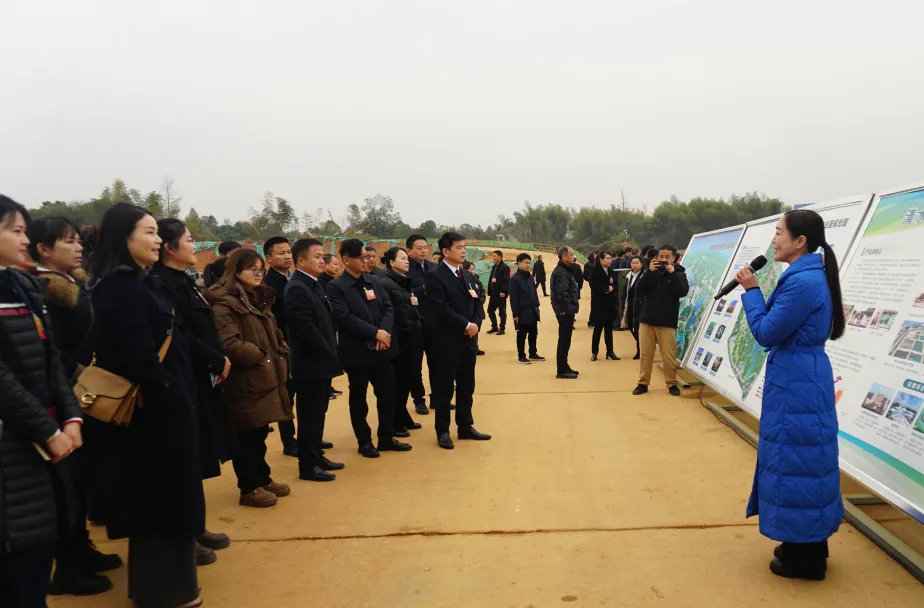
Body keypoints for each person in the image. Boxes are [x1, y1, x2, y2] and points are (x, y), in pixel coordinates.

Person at [87, 202, 204, 608]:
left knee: (172, 503)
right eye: (149, 232)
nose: (158, 240)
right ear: (124, 236)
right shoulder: (117, 287)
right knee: (158, 505)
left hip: (168, 408)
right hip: (149, 418)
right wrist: (171, 397)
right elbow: (137, 357)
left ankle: (172, 587)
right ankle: (162, 593)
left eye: (158, 232)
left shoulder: (143, 281)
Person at [736, 209, 845, 581]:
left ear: (800, 241)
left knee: (796, 461)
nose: (774, 240)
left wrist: (751, 292)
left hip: (798, 382)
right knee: (802, 459)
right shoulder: (809, 275)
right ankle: (807, 542)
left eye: (780, 233)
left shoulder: (802, 283)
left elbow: (767, 332)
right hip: (801, 378)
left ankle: (806, 558)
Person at [22, 217, 121, 596]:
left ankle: (81, 548)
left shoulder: (75, 283)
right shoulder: (43, 290)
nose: (78, 247)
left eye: (78, 241)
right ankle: (67, 565)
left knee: (80, 482)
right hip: (65, 393)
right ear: (43, 248)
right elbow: (53, 352)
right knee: (65, 486)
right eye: (67, 241)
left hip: (81, 390)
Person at [0, 197, 86, 607]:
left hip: (39, 448)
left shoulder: (24, 287)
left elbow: (52, 362)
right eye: (15, 230)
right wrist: (47, 429)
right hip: (14, 448)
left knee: (37, 553)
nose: (25, 238)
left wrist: (70, 416)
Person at [152, 219, 237, 565]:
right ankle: (185, 535)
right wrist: (214, 359)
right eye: (188, 240)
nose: (193, 245)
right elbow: (182, 335)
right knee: (184, 461)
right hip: (189, 374)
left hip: (203, 376)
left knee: (198, 455)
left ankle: (196, 527)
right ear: (169, 248)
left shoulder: (183, 281)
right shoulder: (162, 285)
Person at [207, 248, 293, 508]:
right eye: (252, 269)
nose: (258, 274)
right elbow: (228, 342)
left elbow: (272, 331)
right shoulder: (224, 302)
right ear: (236, 271)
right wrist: (261, 355)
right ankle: (249, 487)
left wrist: (280, 350)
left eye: (260, 269)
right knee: (246, 435)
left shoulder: (256, 298)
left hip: (262, 376)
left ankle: (263, 477)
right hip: (244, 379)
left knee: (259, 433)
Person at [327, 239, 411, 458]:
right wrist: (375, 333)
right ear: (346, 260)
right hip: (357, 352)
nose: (367, 260)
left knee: (387, 394)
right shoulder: (336, 287)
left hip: (382, 350)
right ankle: (364, 441)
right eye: (362, 257)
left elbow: (388, 308)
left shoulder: (373, 281)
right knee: (359, 399)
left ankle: (385, 437)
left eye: (367, 256)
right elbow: (343, 317)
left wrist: (383, 332)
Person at [419, 232, 491, 449]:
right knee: (443, 389)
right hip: (445, 342)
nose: (463, 251)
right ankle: (442, 431)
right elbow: (441, 309)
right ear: (446, 252)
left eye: (464, 247)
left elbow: (478, 301)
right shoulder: (434, 277)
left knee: (467, 385)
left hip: (468, 340)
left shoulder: (467, 276)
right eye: (458, 247)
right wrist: (465, 325)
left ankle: (465, 426)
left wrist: (476, 323)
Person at [285, 239, 345, 482]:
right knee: (309, 415)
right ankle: (307, 466)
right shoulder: (298, 288)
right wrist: (330, 353)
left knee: (318, 412)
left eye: (323, 256)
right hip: (310, 364)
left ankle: (316, 455)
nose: (323, 260)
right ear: (301, 260)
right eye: (318, 257)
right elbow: (306, 330)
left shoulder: (314, 284)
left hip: (321, 362)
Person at [378, 247, 424, 436]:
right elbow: (388, 314)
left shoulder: (406, 282)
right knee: (397, 382)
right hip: (398, 341)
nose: (407, 261)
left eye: (407, 258)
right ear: (391, 262)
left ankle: (403, 415)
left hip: (411, 339)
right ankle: (395, 422)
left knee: (407, 379)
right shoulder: (385, 284)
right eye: (403, 258)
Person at [633, 245, 689, 396]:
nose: (664, 260)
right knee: (645, 354)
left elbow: (682, 291)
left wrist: (672, 274)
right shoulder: (650, 271)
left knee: (669, 355)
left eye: (667, 257)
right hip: (647, 320)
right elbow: (640, 289)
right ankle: (643, 383)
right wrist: (649, 272)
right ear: (656, 257)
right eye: (661, 257)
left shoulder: (679, 273)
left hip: (666, 321)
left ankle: (671, 384)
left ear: (674, 259)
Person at [262, 236, 299, 457]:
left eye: (288, 252)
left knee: (304, 392)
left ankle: (308, 436)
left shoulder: (294, 279)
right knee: (287, 395)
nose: (287, 256)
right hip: (282, 348)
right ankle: (289, 440)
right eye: (281, 253)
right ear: (268, 258)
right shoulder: (268, 287)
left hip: (299, 346)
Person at [405, 234, 436, 415]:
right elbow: (403, 294)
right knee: (414, 365)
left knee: (437, 363)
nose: (424, 250)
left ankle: (437, 397)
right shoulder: (405, 269)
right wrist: (423, 290)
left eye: (426, 247)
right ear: (409, 250)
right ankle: (419, 399)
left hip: (434, 323)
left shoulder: (433, 267)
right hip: (414, 324)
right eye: (419, 248)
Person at [509, 253, 544, 364]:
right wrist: (515, 314)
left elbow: (534, 291)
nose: (528, 265)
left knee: (533, 332)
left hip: (532, 309)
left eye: (529, 263)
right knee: (521, 334)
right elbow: (513, 298)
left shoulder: (529, 277)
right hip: (522, 311)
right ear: (519, 263)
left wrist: (537, 305)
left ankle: (533, 353)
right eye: (526, 263)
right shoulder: (514, 279)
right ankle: (521, 356)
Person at [551, 247, 580, 379]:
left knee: (566, 339)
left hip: (566, 309)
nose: (574, 257)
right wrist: (568, 309)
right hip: (564, 311)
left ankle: (564, 365)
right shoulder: (562, 273)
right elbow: (562, 294)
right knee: (563, 339)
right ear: (564, 257)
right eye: (572, 255)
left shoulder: (566, 270)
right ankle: (561, 370)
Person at [589, 251, 619, 361]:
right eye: (608, 258)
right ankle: (594, 352)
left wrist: (612, 287)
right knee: (598, 329)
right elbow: (593, 284)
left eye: (611, 258)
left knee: (609, 330)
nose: (610, 260)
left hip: (609, 304)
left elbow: (615, 284)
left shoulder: (611, 270)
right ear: (601, 259)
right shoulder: (595, 270)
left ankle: (610, 351)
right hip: (599, 304)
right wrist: (606, 288)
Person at [622, 257, 645, 359]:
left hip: (641, 305)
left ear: (642, 264)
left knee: (638, 328)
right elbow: (625, 290)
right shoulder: (629, 275)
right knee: (630, 326)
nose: (634, 265)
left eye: (637, 263)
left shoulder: (644, 276)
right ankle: (642, 346)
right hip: (630, 304)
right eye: (633, 263)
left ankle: (640, 350)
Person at [463, 261, 486, 356]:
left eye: (473, 269)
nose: (472, 271)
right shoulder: (463, 281)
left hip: (478, 310)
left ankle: (475, 347)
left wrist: (479, 302)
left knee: (476, 329)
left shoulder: (477, 281)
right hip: (468, 310)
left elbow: (483, 294)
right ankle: (469, 348)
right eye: (470, 269)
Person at [486, 250, 510, 335]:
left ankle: (502, 328)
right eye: (493, 256)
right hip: (493, 293)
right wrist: (489, 290)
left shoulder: (505, 267)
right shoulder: (493, 267)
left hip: (501, 293)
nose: (493, 258)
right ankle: (494, 326)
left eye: (494, 256)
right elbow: (491, 279)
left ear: (500, 257)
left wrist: (503, 291)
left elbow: (506, 280)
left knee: (501, 312)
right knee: (490, 310)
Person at [583, 252, 597, 328]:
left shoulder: (591, 264)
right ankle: (592, 321)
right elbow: (585, 276)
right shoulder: (590, 265)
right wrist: (591, 280)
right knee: (594, 303)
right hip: (594, 285)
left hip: (593, 284)